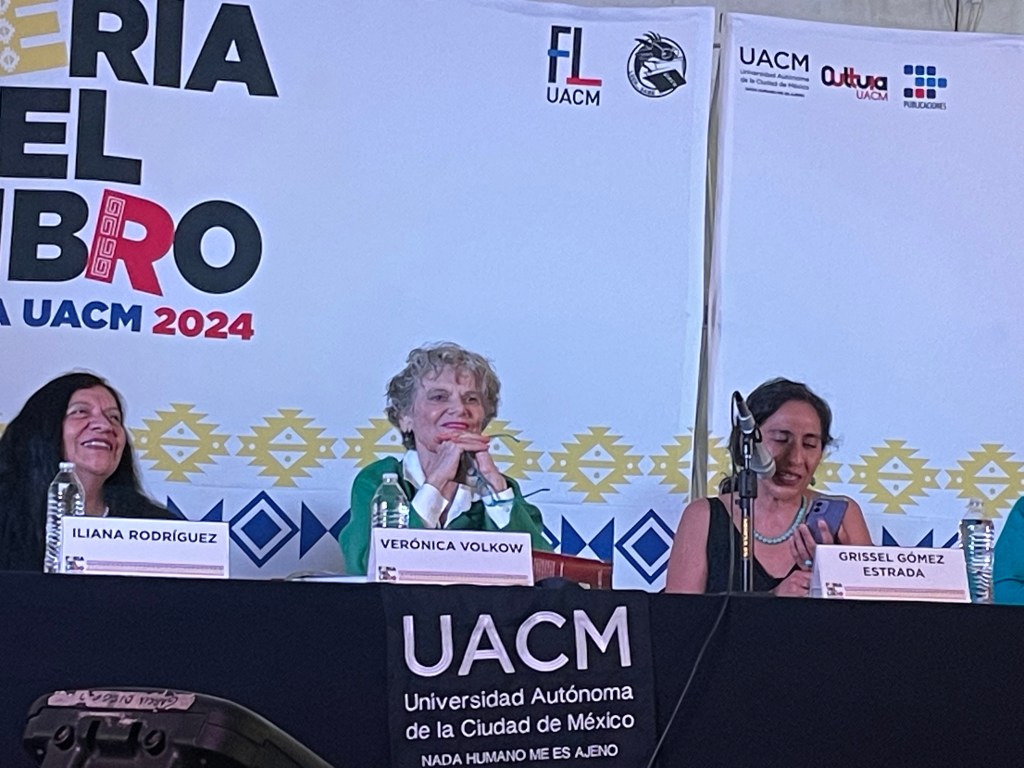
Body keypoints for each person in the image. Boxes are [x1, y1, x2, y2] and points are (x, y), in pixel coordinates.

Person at [339, 342, 549, 574]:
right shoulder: (379, 481)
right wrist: (435, 483)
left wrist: (496, 487)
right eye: (439, 397)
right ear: (405, 417)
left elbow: (544, 574)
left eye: (471, 399)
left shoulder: (502, 489)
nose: (459, 409)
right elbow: (365, 569)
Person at [665, 377, 872, 596]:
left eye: (810, 445)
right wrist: (773, 597)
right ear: (746, 443)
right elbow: (679, 613)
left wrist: (836, 571)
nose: (796, 458)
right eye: (781, 440)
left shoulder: (843, 514)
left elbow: (874, 609)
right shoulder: (703, 516)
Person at [0, 372, 174, 571]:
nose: (105, 425)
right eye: (81, 412)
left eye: (114, 417)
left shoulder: (157, 530)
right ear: (42, 429)